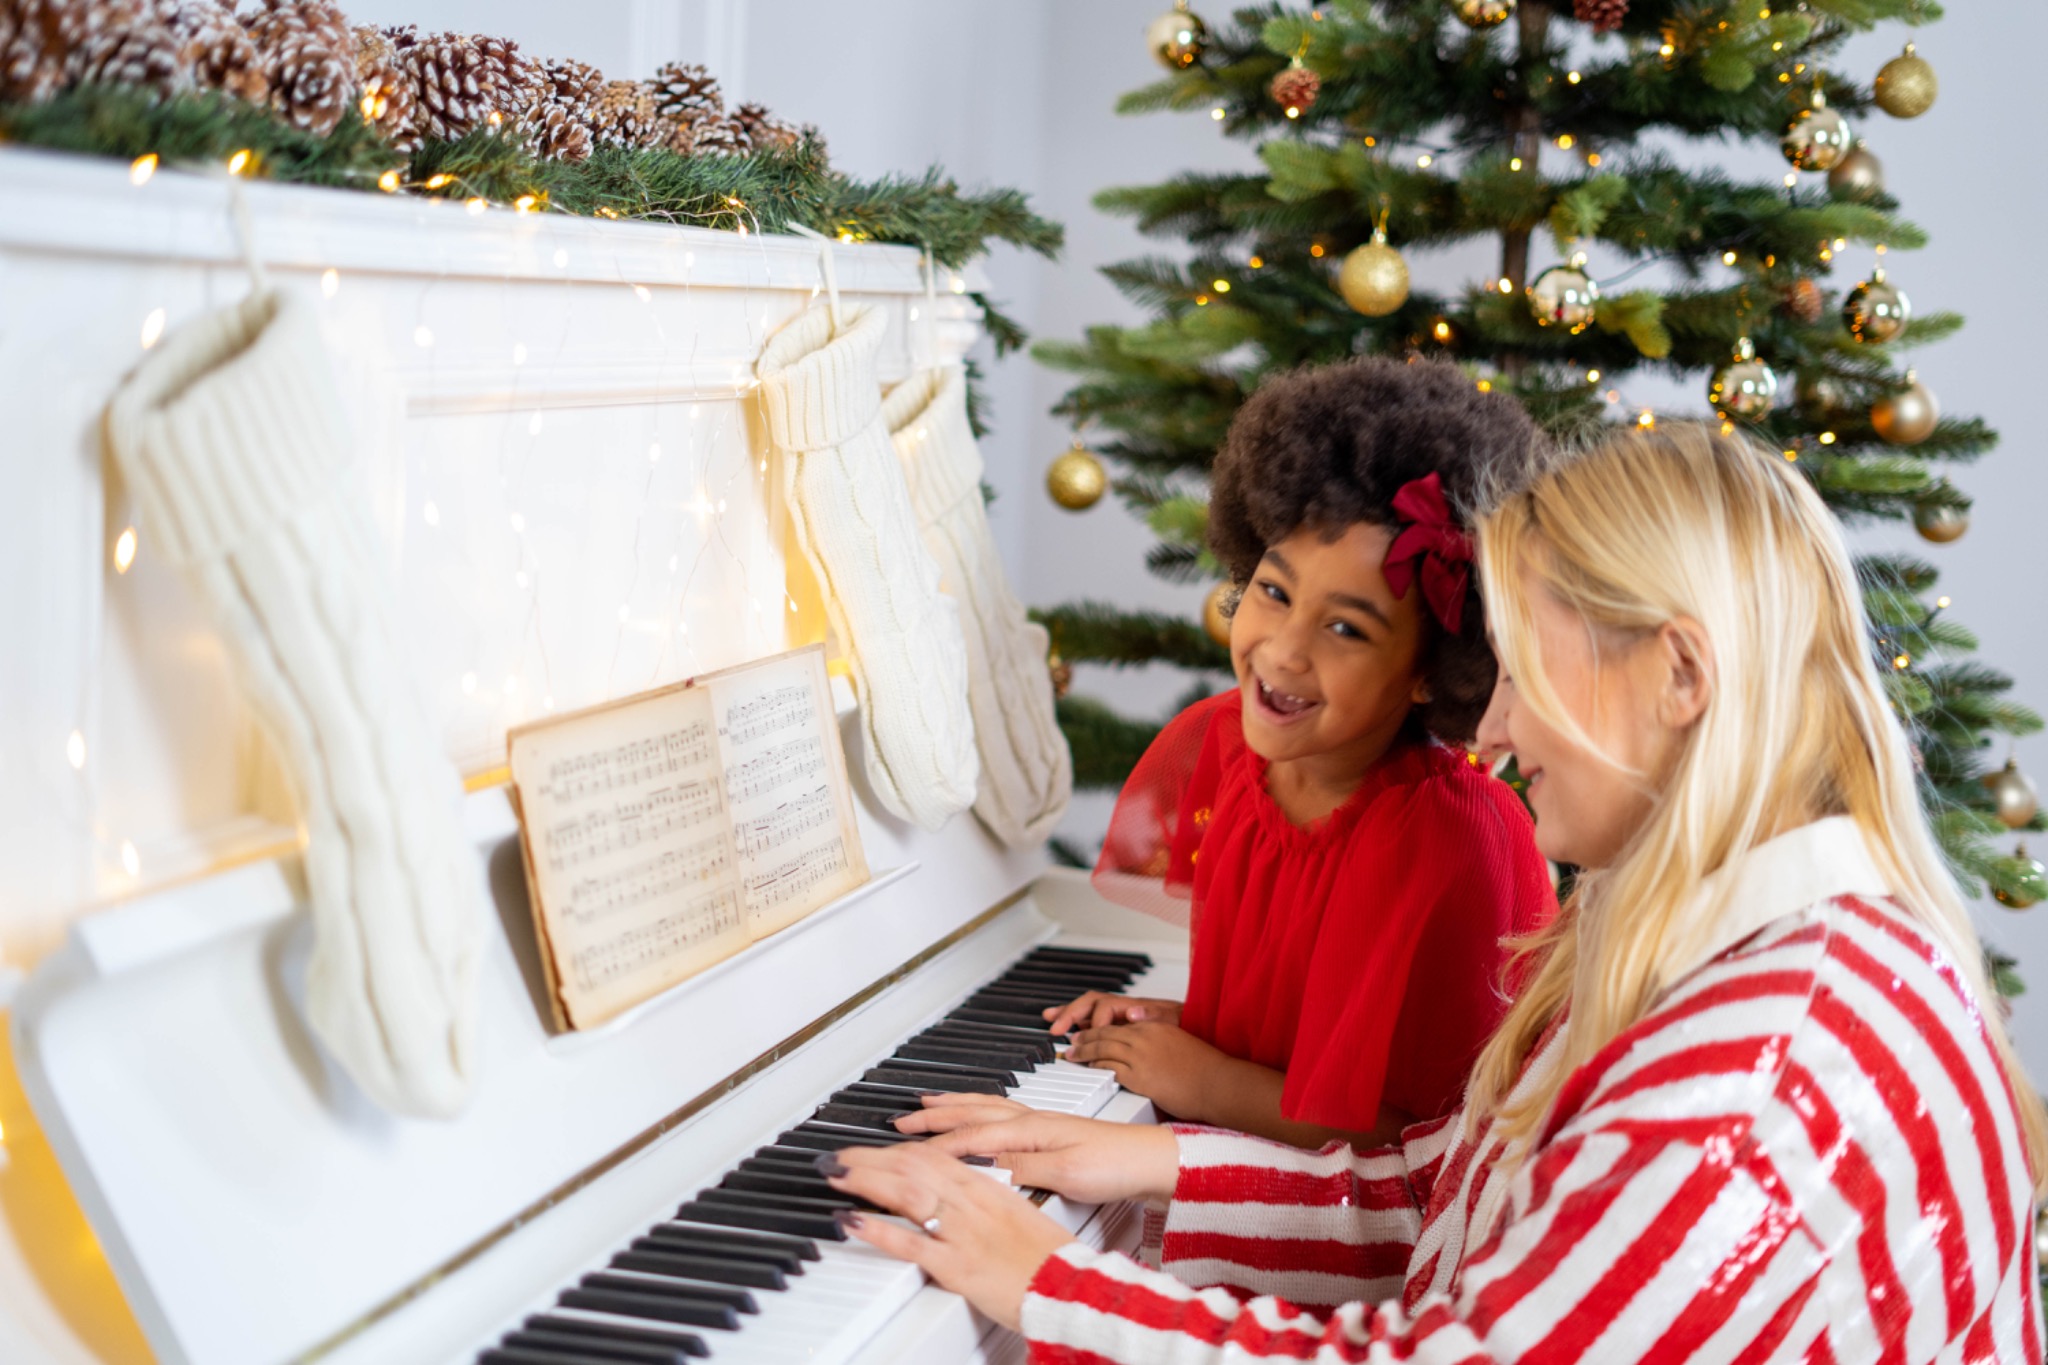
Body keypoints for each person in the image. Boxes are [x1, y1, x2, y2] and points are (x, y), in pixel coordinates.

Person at [819, 422, 2048, 1362]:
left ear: (1679, 674)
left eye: (1522, 675)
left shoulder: (1751, 1075)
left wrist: (1051, 1281)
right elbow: (1443, 1208)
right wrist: (1147, 1166)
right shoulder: (1698, 942)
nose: (1492, 732)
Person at [1048, 357, 1555, 1149]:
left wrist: (1205, 1080)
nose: (1283, 652)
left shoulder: (1453, 842)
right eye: (1274, 592)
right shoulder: (1229, 750)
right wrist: (1177, 1029)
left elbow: (1433, 1148)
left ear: (1432, 669)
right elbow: (1303, 1041)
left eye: (1346, 628)